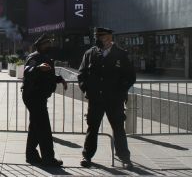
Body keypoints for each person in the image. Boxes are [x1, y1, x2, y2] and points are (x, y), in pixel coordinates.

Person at [78, 27, 136, 169]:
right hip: (96, 99)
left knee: (118, 128)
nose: (98, 38)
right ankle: (87, 156)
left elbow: (130, 76)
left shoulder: (121, 54)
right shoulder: (90, 53)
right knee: (93, 128)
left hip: (114, 100)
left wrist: (120, 92)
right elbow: (82, 74)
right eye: (97, 36)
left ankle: (125, 158)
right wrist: (87, 89)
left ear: (110, 37)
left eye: (101, 35)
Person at [21, 34, 67, 167]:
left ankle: (31, 156)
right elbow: (27, 71)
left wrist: (59, 78)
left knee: (35, 127)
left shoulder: (44, 57)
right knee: (44, 129)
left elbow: (47, 75)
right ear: (40, 45)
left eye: (49, 43)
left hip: (38, 96)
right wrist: (37, 67)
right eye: (47, 44)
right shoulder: (34, 57)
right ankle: (48, 158)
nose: (49, 45)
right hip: (34, 96)